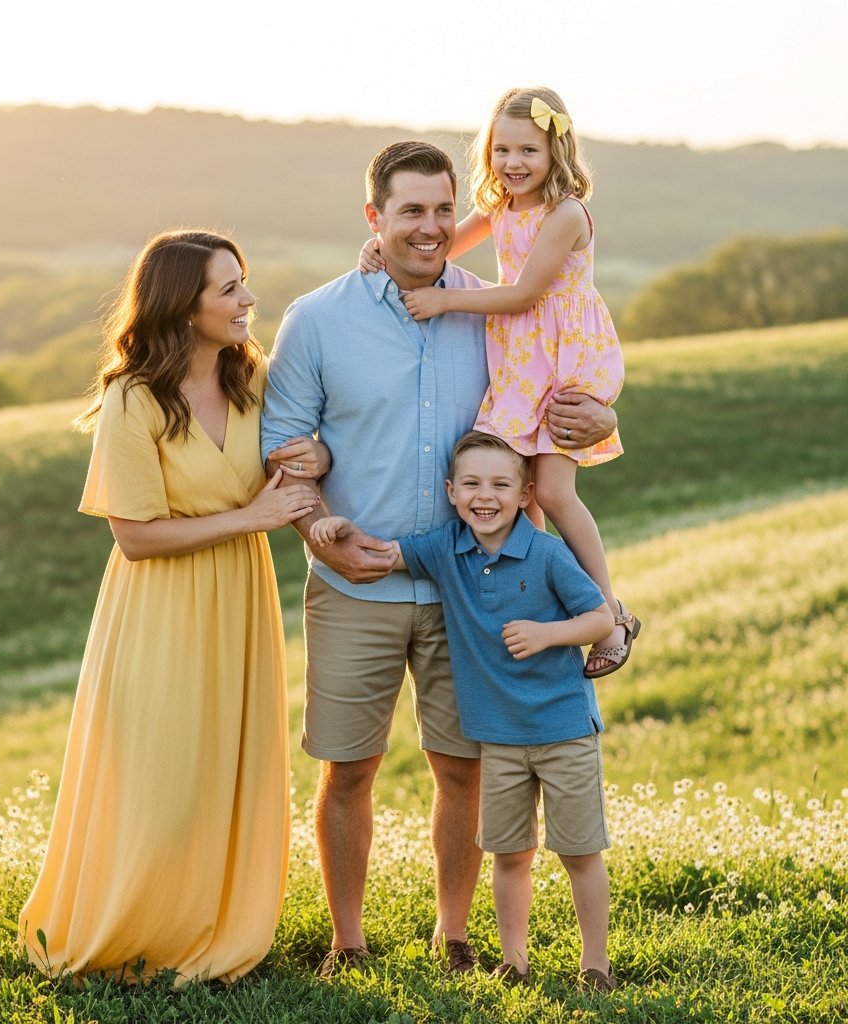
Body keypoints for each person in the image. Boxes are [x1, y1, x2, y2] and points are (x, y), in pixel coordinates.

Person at [261, 141, 619, 976]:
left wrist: (601, 415)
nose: (429, 228)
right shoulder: (317, 318)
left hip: (476, 591)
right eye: (409, 211)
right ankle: (348, 943)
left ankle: (454, 936)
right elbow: (283, 445)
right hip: (357, 587)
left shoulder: (498, 308)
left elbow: (568, 359)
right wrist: (319, 528)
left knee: (464, 769)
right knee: (348, 768)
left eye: (441, 209)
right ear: (373, 218)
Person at [18, 229, 328, 984]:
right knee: (160, 773)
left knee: (225, 766)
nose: (247, 300)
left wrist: (316, 457)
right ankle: (134, 926)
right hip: (157, 606)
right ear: (183, 308)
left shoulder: (254, 379)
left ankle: (216, 928)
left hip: (239, 599)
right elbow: (135, 537)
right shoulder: (134, 396)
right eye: (228, 289)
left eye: (243, 282)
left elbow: (300, 458)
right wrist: (253, 517)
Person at [310, 430, 617, 991]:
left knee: (579, 851)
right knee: (509, 853)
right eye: (471, 484)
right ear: (451, 492)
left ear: (526, 493)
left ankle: (595, 965)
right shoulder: (447, 549)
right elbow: (387, 553)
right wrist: (341, 530)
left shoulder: (547, 554)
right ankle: (513, 960)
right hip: (497, 737)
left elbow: (601, 619)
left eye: (501, 484)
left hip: (564, 728)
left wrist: (548, 634)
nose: (485, 496)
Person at [360, 88, 639, 678]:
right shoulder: (500, 206)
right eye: (502, 149)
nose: (513, 162)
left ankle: (612, 614)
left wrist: (443, 302)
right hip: (519, 358)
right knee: (520, 492)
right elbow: (440, 247)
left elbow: (524, 294)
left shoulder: (565, 214)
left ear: (555, 148)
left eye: (528, 150)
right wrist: (382, 246)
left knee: (556, 491)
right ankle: (535, 593)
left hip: (560, 357)